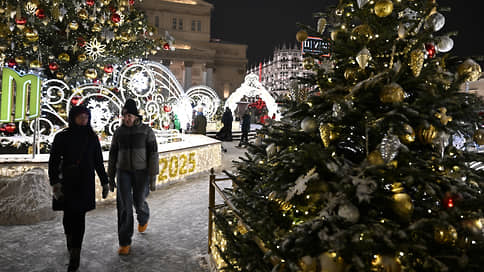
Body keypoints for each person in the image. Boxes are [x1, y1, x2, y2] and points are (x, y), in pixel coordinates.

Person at [48, 105, 110, 272]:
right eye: (81, 116)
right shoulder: (62, 137)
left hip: (84, 183)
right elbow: (53, 161)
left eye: (86, 116)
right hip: (67, 183)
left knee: (79, 217)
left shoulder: (91, 137)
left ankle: (76, 253)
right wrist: (55, 182)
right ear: (73, 118)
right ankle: (70, 240)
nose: (84, 119)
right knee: (68, 217)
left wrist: (105, 181)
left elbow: (98, 161)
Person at [108, 99, 159, 255]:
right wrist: (111, 177)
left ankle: (143, 215)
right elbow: (112, 155)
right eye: (124, 116)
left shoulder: (146, 131)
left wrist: (152, 177)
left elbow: (153, 155)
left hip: (141, 172)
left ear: (136, 116)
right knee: (124, 206)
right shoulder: (119, 132)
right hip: (123, 172)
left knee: (139, 200)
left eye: (129, 115)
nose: (127, 118)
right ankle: (124, 242)